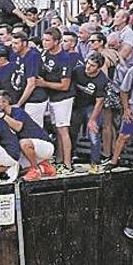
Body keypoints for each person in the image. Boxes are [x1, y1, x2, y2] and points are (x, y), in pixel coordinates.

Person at [0, 91, 57, 182]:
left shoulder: (17, 112)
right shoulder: (0, 118)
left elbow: (18, 127)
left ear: (5, 102)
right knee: (13, 169)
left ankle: (36, 170)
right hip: (28, 151)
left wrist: (3, 116)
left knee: (23, 143)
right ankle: (44, 167)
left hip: (44, 146)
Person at [35, 28, 76, 172]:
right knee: (56, 129)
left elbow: (65, 85)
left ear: (57, 42)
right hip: (50, 97)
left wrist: (44, 83)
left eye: (47, 40)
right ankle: (59, 159)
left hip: (62, 98)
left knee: (63, 129)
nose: (44, 43)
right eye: (43, 40)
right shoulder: (45, 54)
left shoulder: (64, 58)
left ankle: (67, 163)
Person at [72, 53, 110, 172]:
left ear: (98, 68)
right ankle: (70, 157)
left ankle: (95, 162)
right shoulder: (78, 70)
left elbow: (99, 102)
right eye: (88, 63)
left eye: (92, 65)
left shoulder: (101, 79)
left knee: (93, 134)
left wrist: (92, 119)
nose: (88, 67)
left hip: (91, 106)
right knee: (72, 131)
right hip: (76, 104)